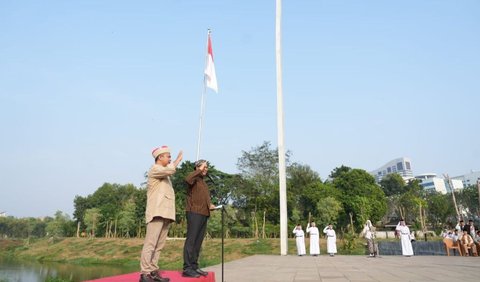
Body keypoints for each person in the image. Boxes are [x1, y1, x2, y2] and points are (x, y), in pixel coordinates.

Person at [140, 146, 183, 282]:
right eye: (168, 156)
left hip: (165, 213)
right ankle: (145, 273)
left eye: (170, 156)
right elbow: (170, 170)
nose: (170, 158)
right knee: (151, 244)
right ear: (160, 157)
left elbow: (169, 171)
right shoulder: (155, 169)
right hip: (156, 212)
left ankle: (153, 271)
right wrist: (177, 160)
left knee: (159, 245)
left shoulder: (165, 174)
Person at [182, 159, 216, 278]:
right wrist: (198, 170)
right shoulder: (194, 178)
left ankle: (194, 266)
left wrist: (210, 205)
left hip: (204, 213)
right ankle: (187, 268)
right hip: (194, 212)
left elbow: (203, 198)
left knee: (198, 242)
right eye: (203, 167)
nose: (206, 169)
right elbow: (187, 179)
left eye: (206, 167)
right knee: (191, 240)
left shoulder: (203, 182)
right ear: (197, 167)